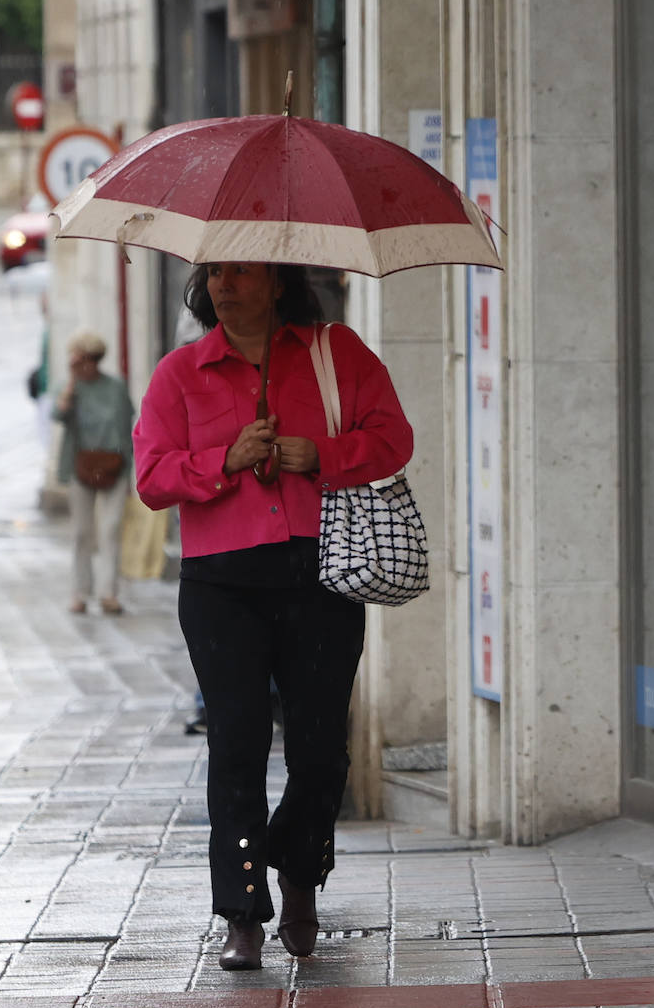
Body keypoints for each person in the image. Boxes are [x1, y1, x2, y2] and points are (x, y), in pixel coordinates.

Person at [134, 262, 413, 970]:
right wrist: (221, 461)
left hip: (319, 572)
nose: (225, 286)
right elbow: (153, 479)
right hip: (221, 585)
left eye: (243, 273)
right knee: (236, 744)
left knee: (321, 748)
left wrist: (320, 454)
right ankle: (241, 911)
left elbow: (392, 440)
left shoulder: (335, 353)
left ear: (279, 282)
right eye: (215, 274)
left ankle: (299, 872)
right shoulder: (180, 373)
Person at [54, 330, 134, 615]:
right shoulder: (70, 388)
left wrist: (131, 471)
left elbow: (127, 428)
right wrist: (72, 383)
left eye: (88, 360)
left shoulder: (115, 387)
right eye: (78, 361)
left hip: (114, 464)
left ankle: (108, 593)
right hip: (81, 465)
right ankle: (79, 593)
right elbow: (58, 414)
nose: (84, 365)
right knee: (81, 532)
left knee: (111, 529)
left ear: (97, 360)